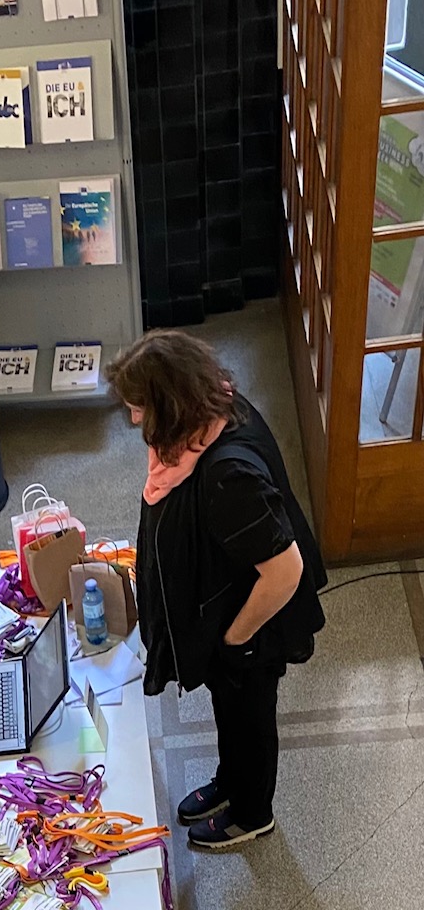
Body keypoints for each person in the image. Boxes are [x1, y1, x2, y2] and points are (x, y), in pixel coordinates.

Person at [105, 330, 327, 851]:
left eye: (140, 408)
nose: (135, 421)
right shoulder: (215, 409)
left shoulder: (227, 475)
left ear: (168, 402)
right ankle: (231, 781)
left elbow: (284, 569)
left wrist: (235, 638)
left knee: (250, 718)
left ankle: (253, 812)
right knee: (230, 711)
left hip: (252, 623)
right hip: (229, 603)